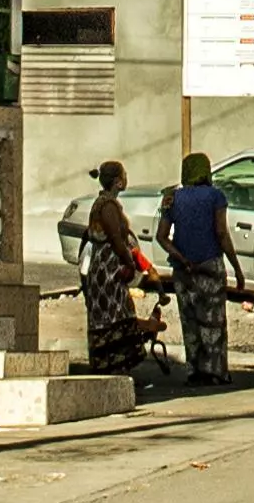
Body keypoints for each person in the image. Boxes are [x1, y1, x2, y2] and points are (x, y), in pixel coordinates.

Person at [153, 153, 244, 386]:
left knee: (190, 319)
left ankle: (194, 371)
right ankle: (215, 372)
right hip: (210, 264)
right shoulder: (216, 196)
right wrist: (237, 268)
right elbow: (222, 234)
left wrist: (180, 258)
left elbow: (161, 237)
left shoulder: (172, 198)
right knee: (213, 320)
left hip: (183, 271)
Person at [79, 159, 154, 373]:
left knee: (109, 315)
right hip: (107, 271)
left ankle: (111, 366)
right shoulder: (108, 205)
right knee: (114, 314)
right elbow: (115, 238)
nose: (127, 177)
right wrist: (130, 262)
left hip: (103, 269)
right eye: (124, 174)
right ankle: (114, 365)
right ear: (118, 182)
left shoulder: (103, 203)